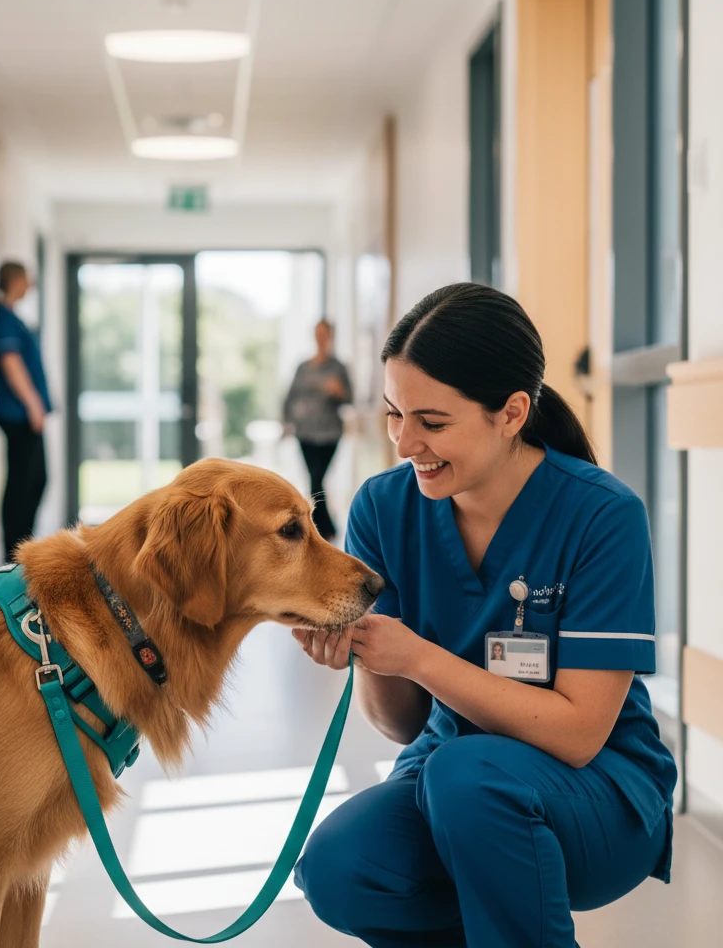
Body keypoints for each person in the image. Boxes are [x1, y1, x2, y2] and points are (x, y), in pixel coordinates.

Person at [292, 282, 676, 948]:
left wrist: (418, 656)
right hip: (453, 778)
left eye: (432, 422)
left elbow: (579, 734)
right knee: (339, 867)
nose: (405, 442)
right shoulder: (383, 508)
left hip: (597, 790)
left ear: (512, 412)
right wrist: (366, 652)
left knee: (467, 778)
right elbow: (401, 724)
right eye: (394, 414)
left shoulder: (603, 515)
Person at [0, 260, 53, 562]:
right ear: (15, 281)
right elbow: (11, 363)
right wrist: (33, 404)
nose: (30, 285)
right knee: (24, 483)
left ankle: (21, 550)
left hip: (22, 413)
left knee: (35, 480)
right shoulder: (2, 319)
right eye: (26, 279)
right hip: (17, 413)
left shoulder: (11, 317)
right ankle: (15, 555)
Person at [283, 320, 352, 538]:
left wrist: (339, 392)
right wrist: (285, 422)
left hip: (330, 433)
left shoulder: (338, 367)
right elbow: (290, 397)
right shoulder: (303, 367)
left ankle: (320, 527)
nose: (321, 337)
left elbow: (350, 398)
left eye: (325, 333)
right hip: (305, 431)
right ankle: (325, 528)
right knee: (314, 479)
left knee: (317, 479)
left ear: (330, 336)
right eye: (318, 333)